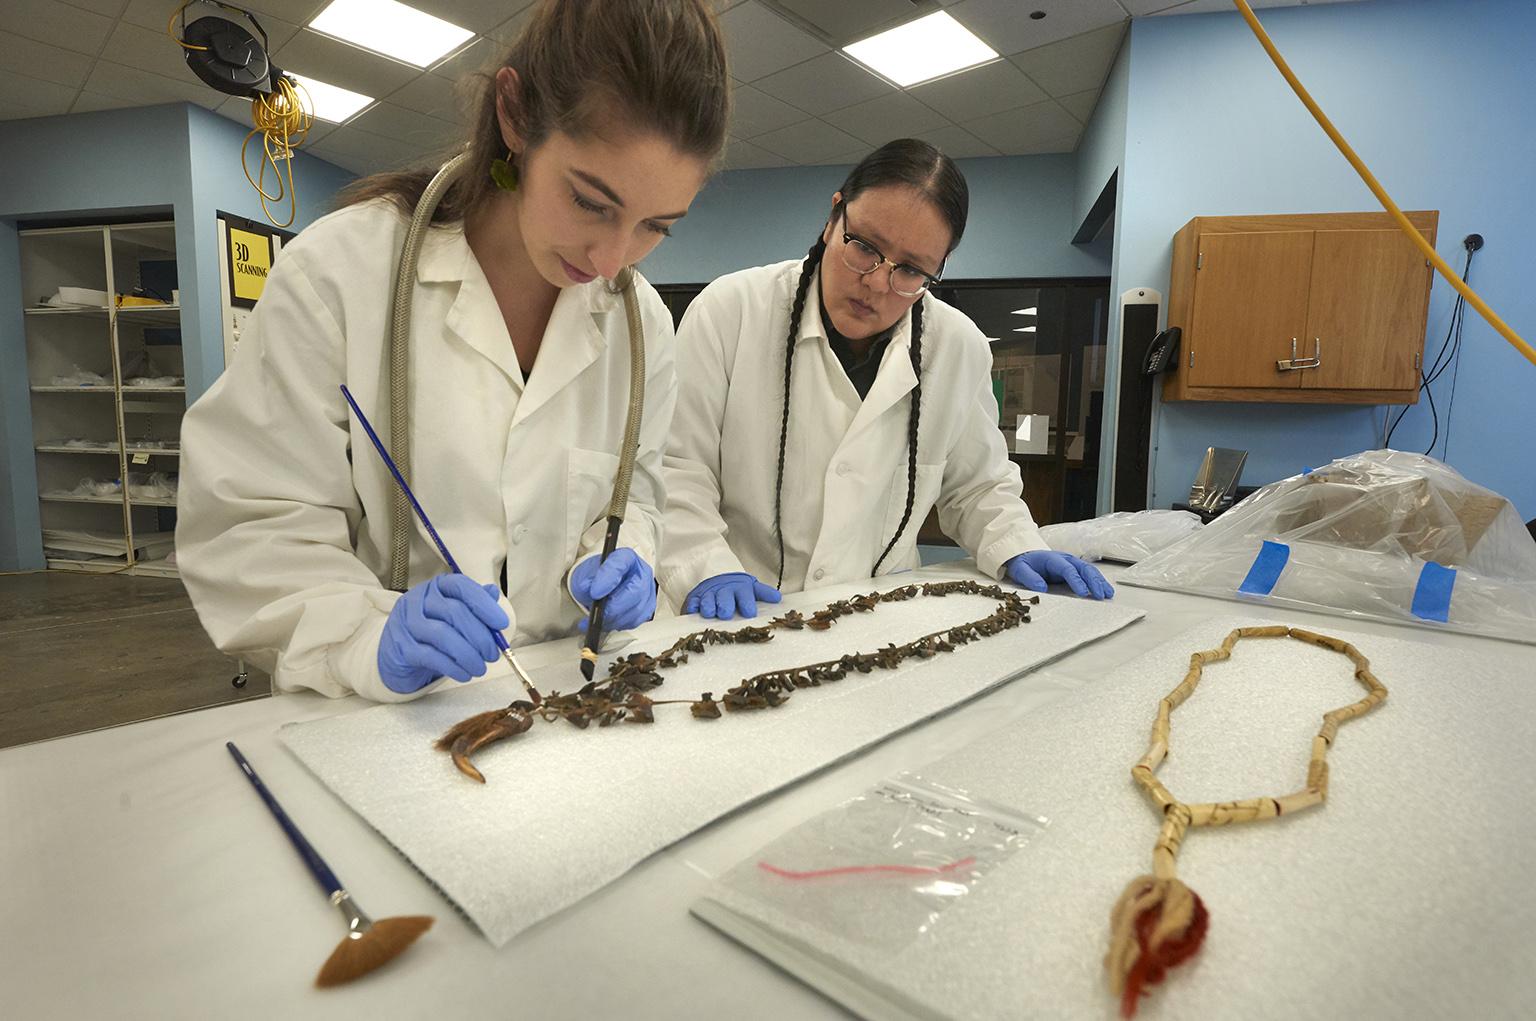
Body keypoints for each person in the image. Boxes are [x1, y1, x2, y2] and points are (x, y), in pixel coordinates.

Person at [176, 0, 730, 699]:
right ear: (515, 115)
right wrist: (365, 639)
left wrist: (627, 555)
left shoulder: (641, 324)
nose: (613, 258)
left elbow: (638, 493)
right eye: (592, 200)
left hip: (572, 715)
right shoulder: (342, 275)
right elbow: (250, 521)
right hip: (390, 723)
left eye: (657, 226)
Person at [660, 139, 1112, 620]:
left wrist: (1016, 543)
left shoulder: (957, 347)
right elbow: (676, 467)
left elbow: (976, 485)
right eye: (864, 247)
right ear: (834, 217)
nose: (876, 282)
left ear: (937, 270)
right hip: (737, 611)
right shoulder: (732, 310)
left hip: (876, 621)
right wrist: (703, 565)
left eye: (912, 270)